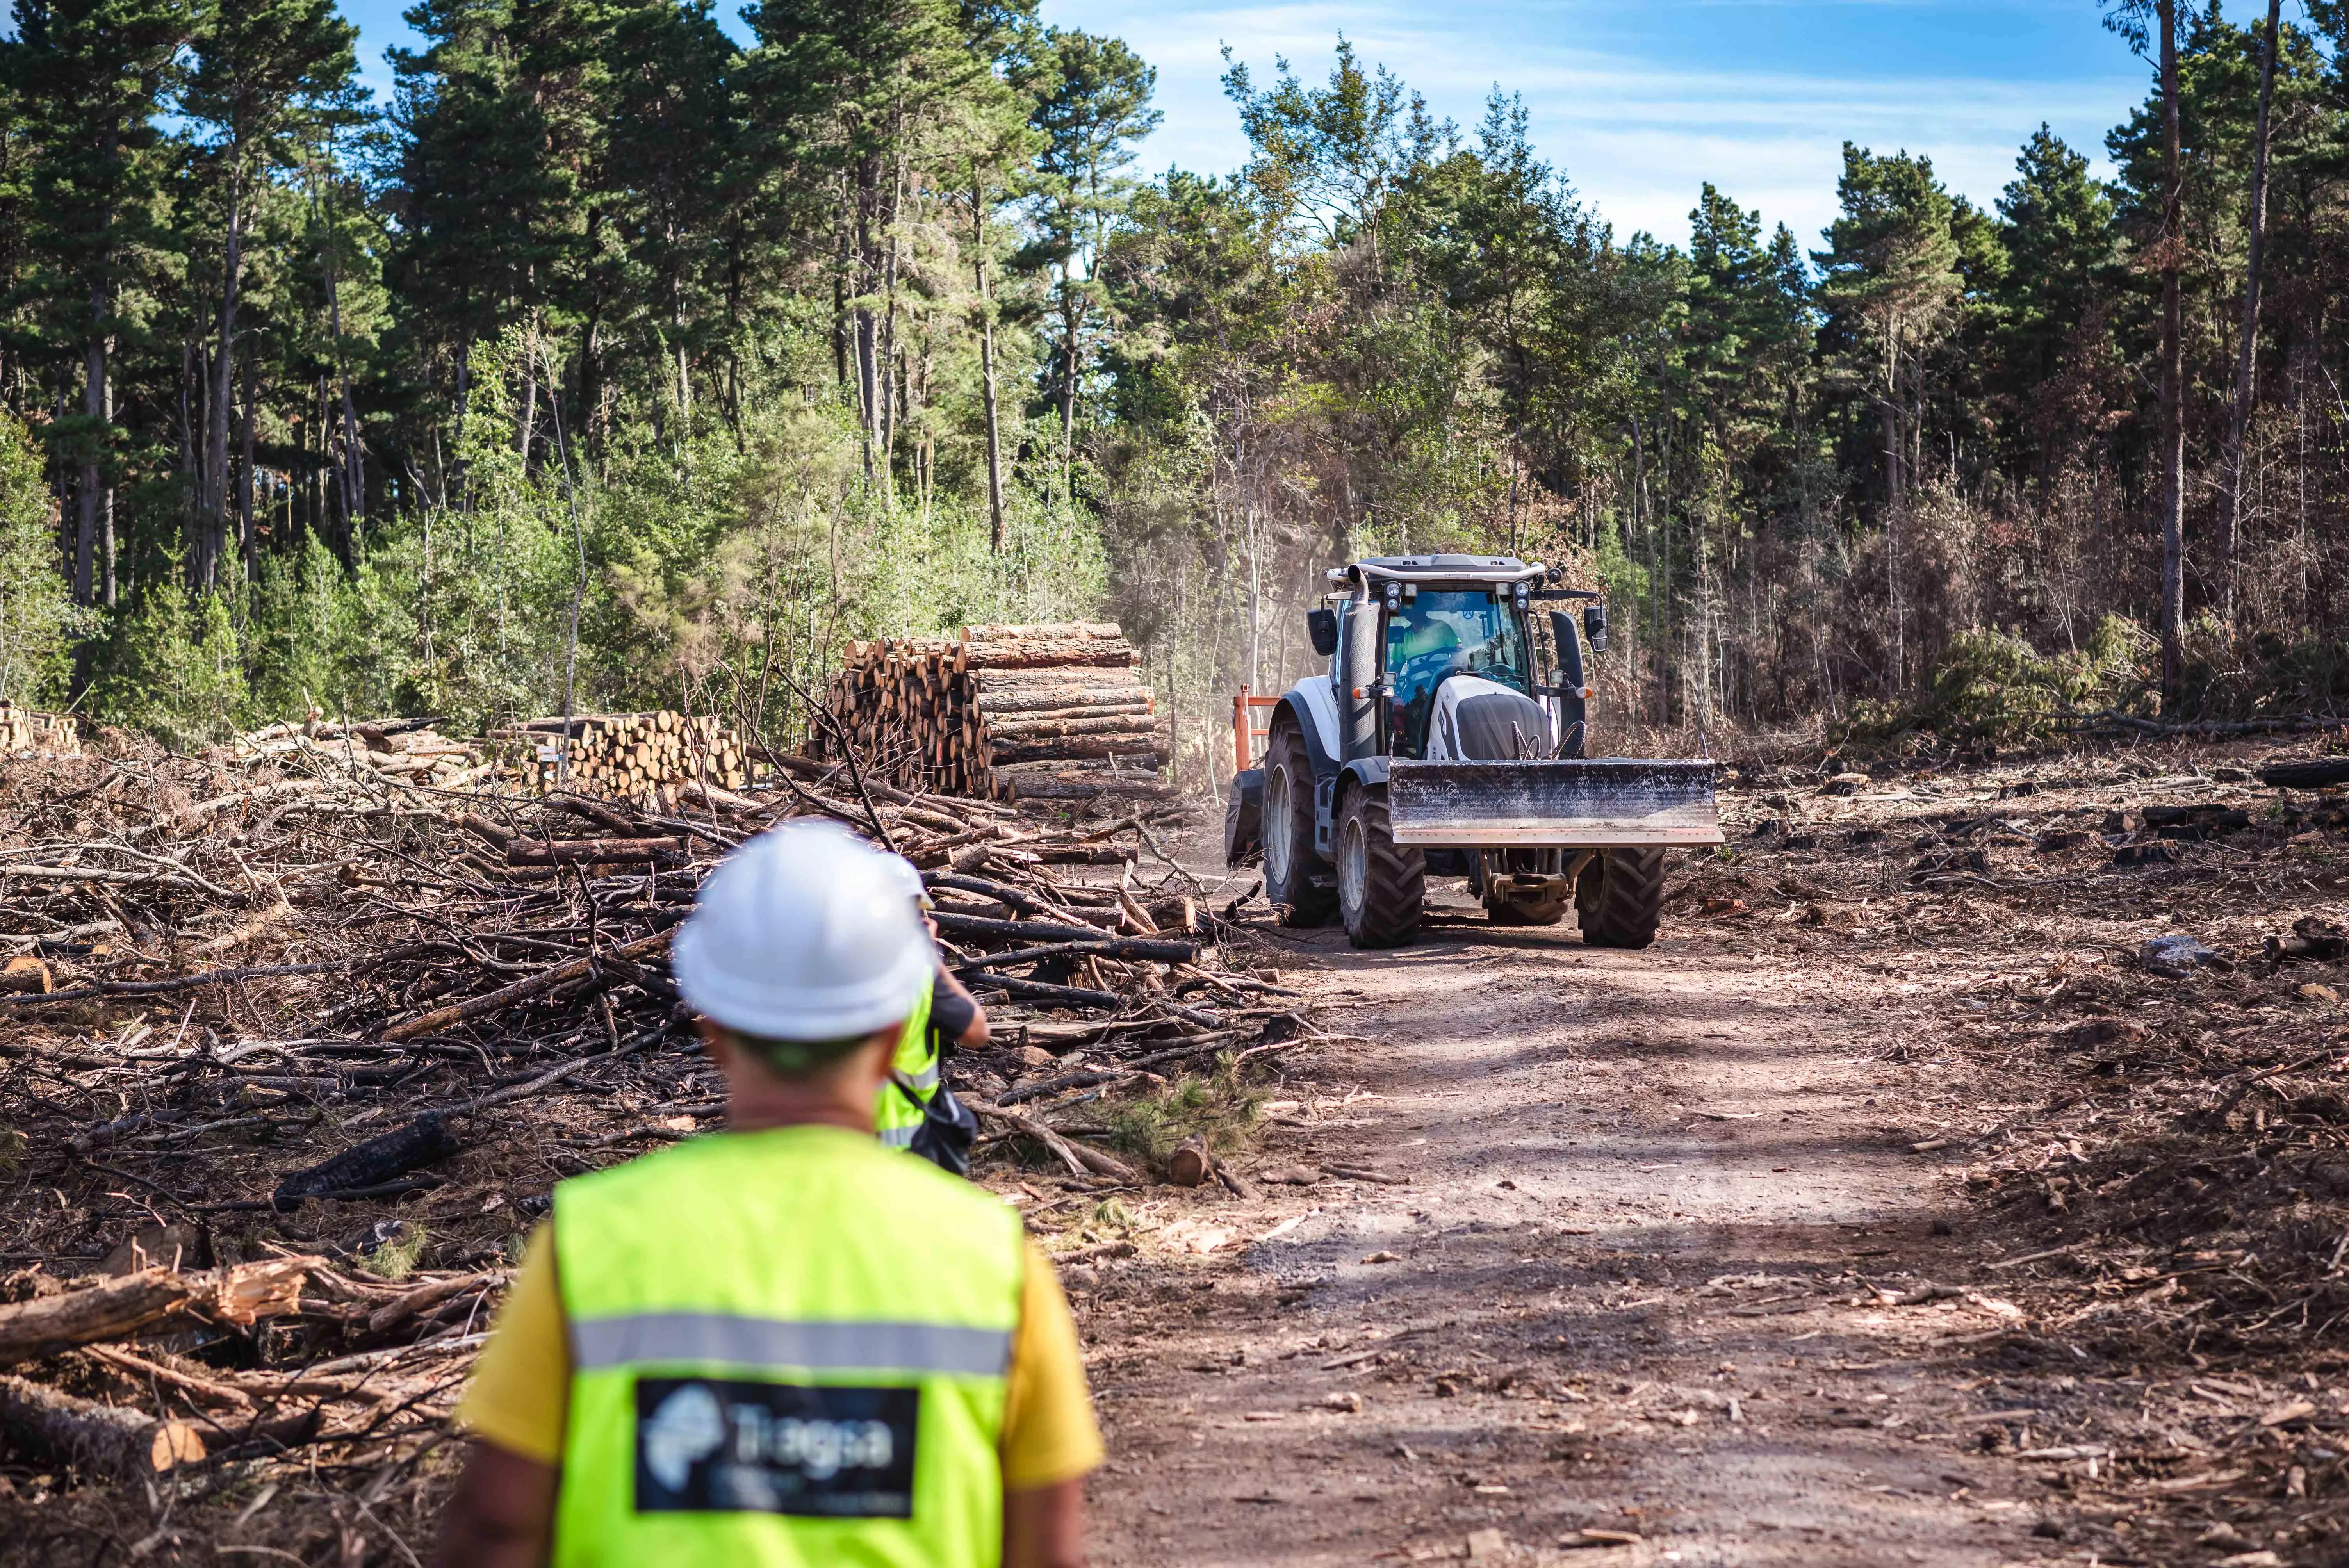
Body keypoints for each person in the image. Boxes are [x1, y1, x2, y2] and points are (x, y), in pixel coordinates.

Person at [435, 820, 1101, 1568]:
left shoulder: (585, 1245)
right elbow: (1045, 1551)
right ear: (891, 1036)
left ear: (714, 1032)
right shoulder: (999, 1269)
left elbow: (497, 1526)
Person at [875, 854, 989, 1154]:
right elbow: (978, 1032)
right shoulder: (919, 975)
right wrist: (928, 955)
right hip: (901, 1145)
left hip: (826, 1144)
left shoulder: (821, 972)